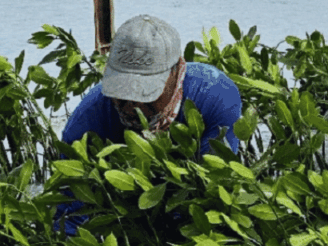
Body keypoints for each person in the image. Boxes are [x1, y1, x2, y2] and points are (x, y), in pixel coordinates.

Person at [55, 14, 242, 234]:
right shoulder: (84, 125)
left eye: (146, 93)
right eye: (122, 92)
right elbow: (71, 220)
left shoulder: (217, 96)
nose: (132, 106)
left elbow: (214, 191)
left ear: (177, 72)